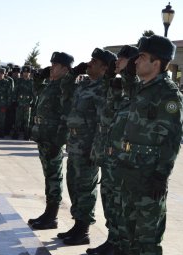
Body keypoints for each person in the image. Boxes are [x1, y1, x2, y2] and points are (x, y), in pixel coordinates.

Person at [110, 35, 183, 255]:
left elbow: (173, 139)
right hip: (130, 172)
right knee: (131, 230)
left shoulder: (168, 94)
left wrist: (160, 175)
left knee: (147, 236)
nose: (137, 60)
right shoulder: (143, 88)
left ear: (157, 62)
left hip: (148, 175)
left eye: (142, 57)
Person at [58, 48, 115, 245]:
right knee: (73, 183)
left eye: (95, 61)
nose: (89, 63)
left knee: (85, 187)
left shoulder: (103, 88)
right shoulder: (84, 84)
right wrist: (73, 73)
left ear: (105, 68)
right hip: (75, 143)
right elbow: (63, 90)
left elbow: (103, 122)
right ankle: (77, 224)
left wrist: (96, 148)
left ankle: (83, 230)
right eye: (90, 59)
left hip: (88, 146)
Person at [27, 52, 76, 230]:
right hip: (44, 136)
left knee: (54, 176)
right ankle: (48, 212)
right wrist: (38, 79)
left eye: (55, 65)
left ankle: (52, 216)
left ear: (65, 69)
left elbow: (66, 117)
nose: (52, 67)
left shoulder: (65, 88)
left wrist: (59, 141)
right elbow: (37, 92)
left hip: (53, 139)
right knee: (49, 176)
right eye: (51, 64)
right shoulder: (51, 84)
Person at [12, 65, 35, 140]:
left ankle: (26, 135)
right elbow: (15, 91)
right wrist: (14, 101)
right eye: (24, 72)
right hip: (19, 102)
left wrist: (33, 102)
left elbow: (34, 93)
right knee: (17, 119)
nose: (25, 73)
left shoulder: (32, 82)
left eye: (27, 72)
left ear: (29, 73)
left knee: (27, 121)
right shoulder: (19, 81)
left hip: (28, 104)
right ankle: (16, 134)